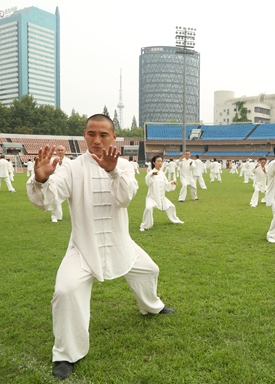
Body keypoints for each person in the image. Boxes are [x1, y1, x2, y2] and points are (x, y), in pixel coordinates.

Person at [27, 114, 174, 380]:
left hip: (120, 243)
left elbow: (125, 197)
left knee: (149, 270)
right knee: (66, 290)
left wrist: (112, 170)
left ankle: (152, 306)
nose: (96, 140)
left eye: (103, 135)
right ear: (84, 135)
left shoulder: (126, 166)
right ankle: (65, 354)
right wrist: (41, 180)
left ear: (113, 137)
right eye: (91, 134)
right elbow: (48, 199)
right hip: (84, 247)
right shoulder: (71, 168)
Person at [140, 155, 184, 231]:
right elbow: (147, 181)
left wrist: (171, 183)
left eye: (161, 161)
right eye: (158, 161)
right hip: (152, 197)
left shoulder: (162, 173)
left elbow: (166, 185)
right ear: (154, 162)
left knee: (171, 207)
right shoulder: (150, 173)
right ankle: (144, 226)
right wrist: (152, 175)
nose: (160, 163)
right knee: (148, 208)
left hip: (161, 197)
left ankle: (175, 220)